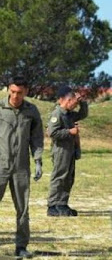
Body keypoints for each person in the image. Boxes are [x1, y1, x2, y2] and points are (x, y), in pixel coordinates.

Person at [0, 75, 44, 260]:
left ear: (26, 91)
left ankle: (21, 246)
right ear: (8, 90)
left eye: (20, 92)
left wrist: (37, 161)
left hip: (21, 167)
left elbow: (36, 139)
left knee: (23, 209)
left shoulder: (32, 111)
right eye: (12, 92)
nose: (15, 96)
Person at [47, 86, 88, 217]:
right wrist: (70, 132)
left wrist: (82, 102)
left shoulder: (70, 115)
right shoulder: (57, 114)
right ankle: (53, 205)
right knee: (59, 177)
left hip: (70, 149)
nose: (75, 106)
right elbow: (52, 133)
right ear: (68, 100)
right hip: (60, 150)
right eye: (75, 103)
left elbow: (83, 114)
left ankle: (62, 203)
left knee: (68, 177)